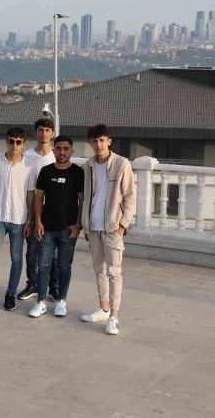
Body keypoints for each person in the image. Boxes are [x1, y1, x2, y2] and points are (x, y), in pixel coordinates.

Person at [80, 125, 136, 336]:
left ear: (109, 141)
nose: (98, 144)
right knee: (99, 271)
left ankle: (114, 316)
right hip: (93, 227)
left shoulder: (121, 164)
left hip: (112, 228)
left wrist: (122, 225)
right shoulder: (88, 166)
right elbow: (87, 196)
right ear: (91, 143)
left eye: (102, 140)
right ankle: (103, 309)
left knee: (114, 272)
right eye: (95, 141)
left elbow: (130, 196)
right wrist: (85, 224)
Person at [0, 127, 34, 314]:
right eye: (11, 141)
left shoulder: (29, 166)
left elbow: (30, 194)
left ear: (23, 144)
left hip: (19, 219)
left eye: (18, 142)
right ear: (7, 142)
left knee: (16, 259)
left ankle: (10, 294)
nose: (14, 145)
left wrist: (29, 220)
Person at [28, 136, 84, 318]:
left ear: (71, 151)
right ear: (53, 150)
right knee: (43, 265)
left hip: (68, 229)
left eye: (66, 149)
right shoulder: (46, 171)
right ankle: (40, 301)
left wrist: (78, 225)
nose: (62, 152)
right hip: (46, 228)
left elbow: (82, 201)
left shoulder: (77, 172)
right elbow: (38, 198)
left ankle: (61, 301)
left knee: (64, 267)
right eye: (58, 148)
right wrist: (37, 221)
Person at [18, 118, 57, 301]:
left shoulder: (56, 156)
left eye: (47, 130)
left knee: (53, 252)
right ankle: (32, 284)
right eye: (41, 130)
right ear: (36, 133)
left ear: (52, 133)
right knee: (32, 250)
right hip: (31, 208)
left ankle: (53, 287)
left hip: (52, 210)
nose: (44, 134)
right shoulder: (26, 156)